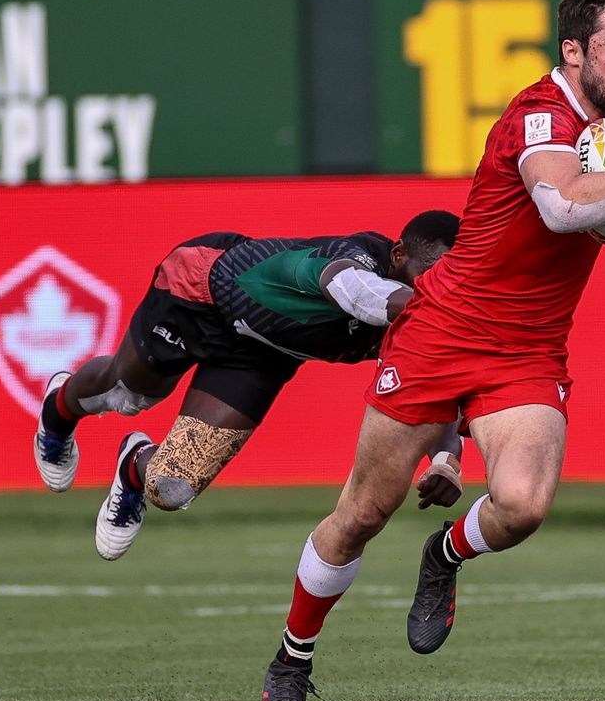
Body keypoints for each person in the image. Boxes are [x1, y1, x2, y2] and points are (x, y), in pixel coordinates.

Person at [257, 0, 605, 701]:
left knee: (523, 507)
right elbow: (563, 206)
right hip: (443, 332)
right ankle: (291, 660)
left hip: (529, 349)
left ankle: (445, 555)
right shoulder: (537, 115)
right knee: (363, 512)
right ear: (573, 51)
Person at [33, 212, 464, 560]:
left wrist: (446, 461)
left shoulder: (421, 320)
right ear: (398, 254)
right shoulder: (358, 259)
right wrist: (445, 307)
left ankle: (133, 466)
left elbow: (434, 390)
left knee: (172, 487)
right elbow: (353, 291)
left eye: (450, 282)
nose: (437, 287)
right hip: (202, 290)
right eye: (431, 274)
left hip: (260, 356)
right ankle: (59, 411)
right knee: (129, 393)